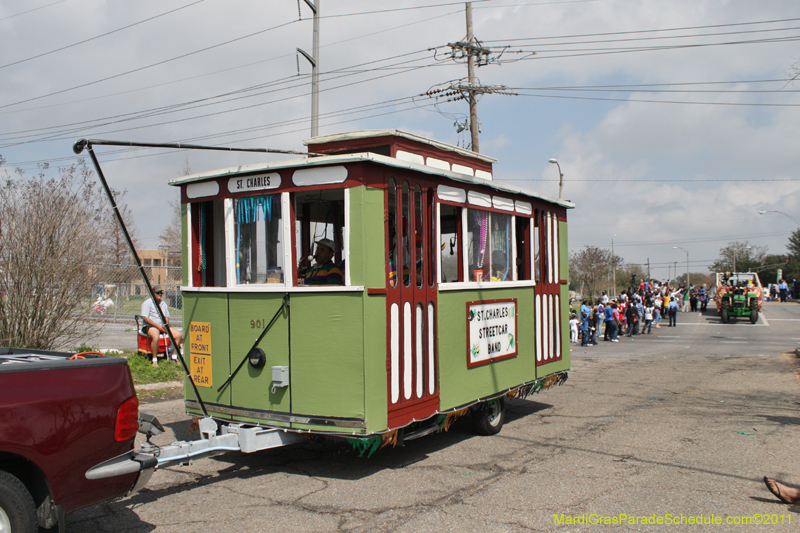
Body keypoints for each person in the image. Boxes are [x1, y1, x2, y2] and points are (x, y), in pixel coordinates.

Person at [141, 286, 183, 367]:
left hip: (162, 326)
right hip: (150, 326)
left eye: (161, 293)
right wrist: (157, 326)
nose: (160, 294)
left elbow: (166, 316)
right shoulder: (147, 303)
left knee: (178, 335)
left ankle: (174, 357)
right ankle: (154, 359)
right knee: (155, 336)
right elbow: (146, 318)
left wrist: (165, 325)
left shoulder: (163, 303)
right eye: (158, 293)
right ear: (153, 293)